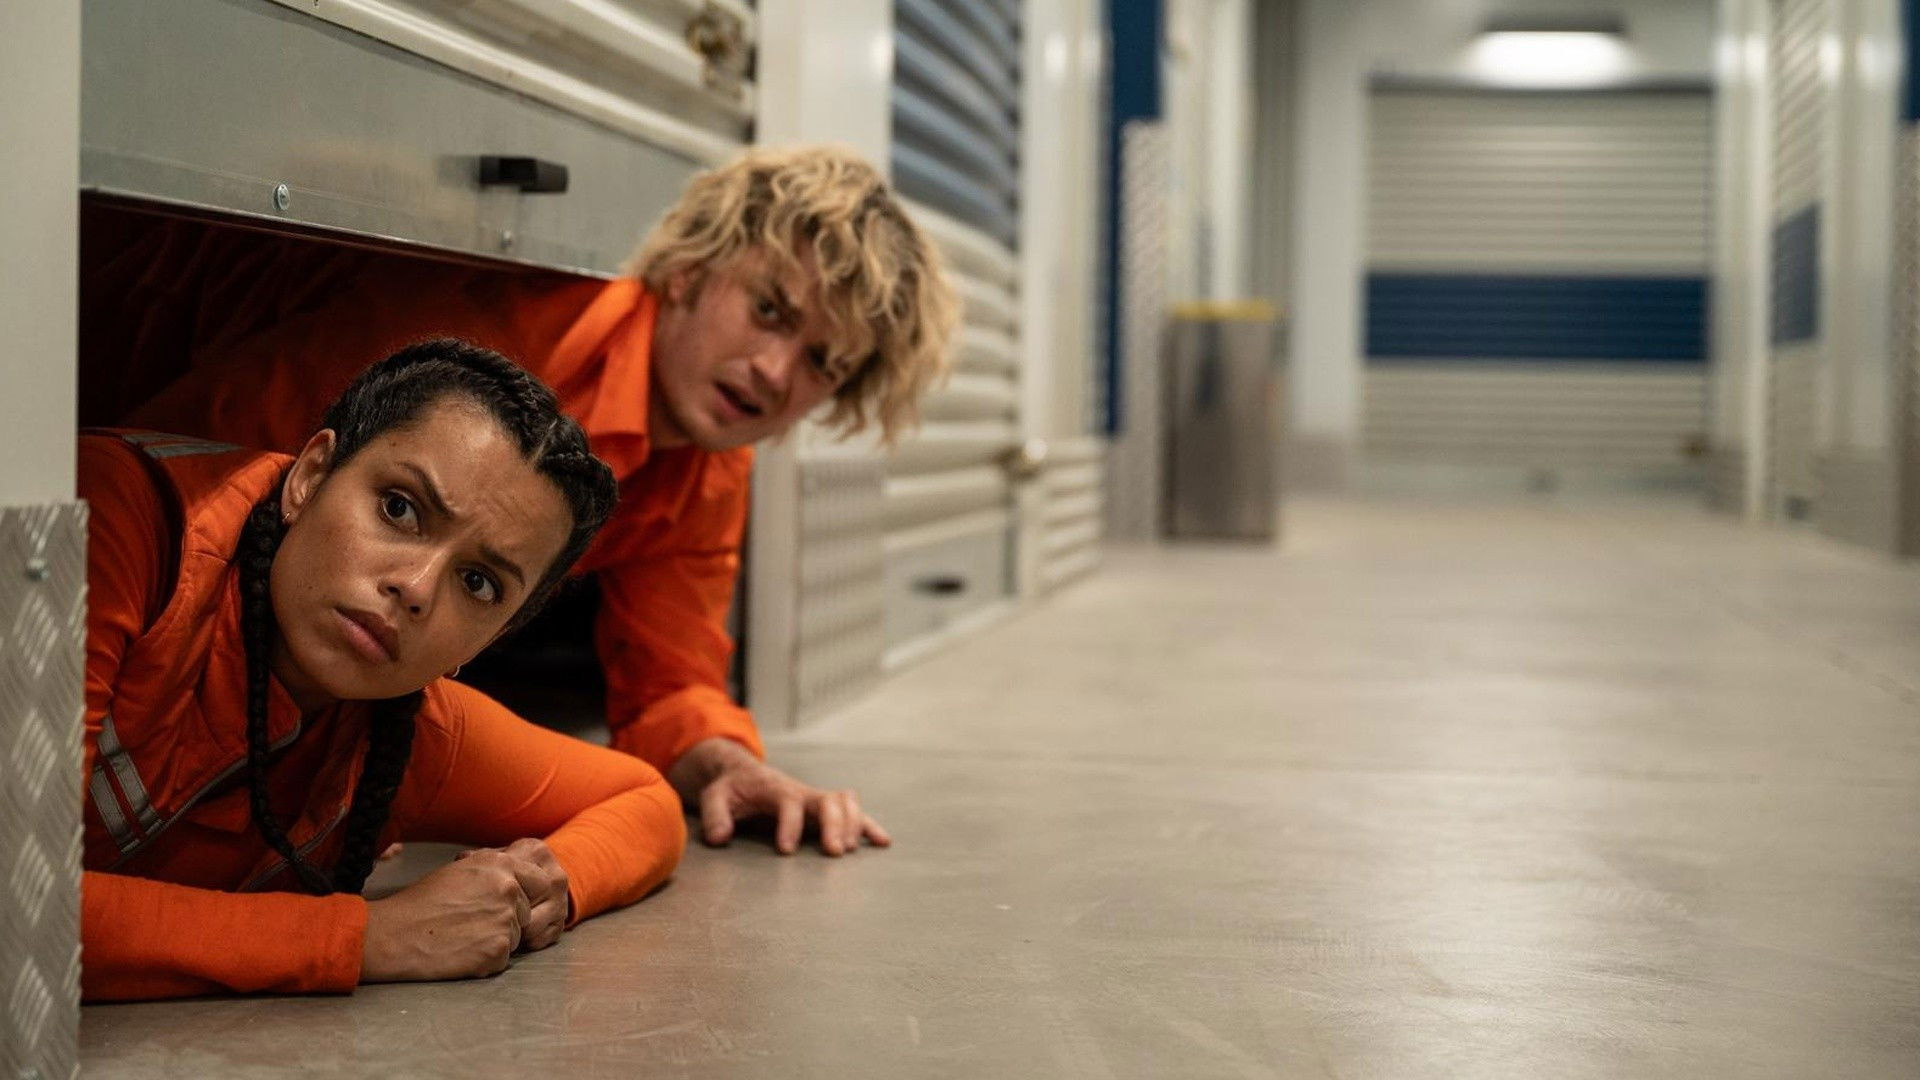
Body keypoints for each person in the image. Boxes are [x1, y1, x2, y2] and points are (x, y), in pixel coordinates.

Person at [115, 145, 960, 857]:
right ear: (693, 269)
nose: (775, 373)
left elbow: (668, 682)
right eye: (769, 310)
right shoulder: (490, 351)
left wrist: (730, 765)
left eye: (821, 363)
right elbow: (199, 484)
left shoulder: (709, 469)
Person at [80, 340, 682, 1001]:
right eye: (400, 508)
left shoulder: (405, 736)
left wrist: (530, 893)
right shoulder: (119, 525)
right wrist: (364, 938)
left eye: (478, 583)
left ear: (492, 638)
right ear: (310, 476)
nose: (416, 587)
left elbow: (645, 802)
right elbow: (19, 904)